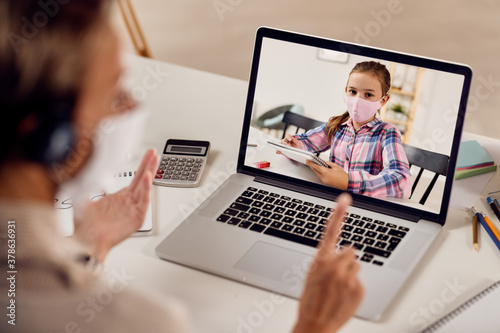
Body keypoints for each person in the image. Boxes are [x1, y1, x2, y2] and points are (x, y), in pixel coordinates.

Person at [0, 1, 363, 332]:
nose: (131, 108)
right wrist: (314, 325)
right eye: (115, 96)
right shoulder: (141, 322)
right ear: (50, 137)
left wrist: (88, 249)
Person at [280, 61, 411, 198]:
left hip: (362, 204)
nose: (357, 100)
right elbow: (307, 142)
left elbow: (402, 181)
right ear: (346, 91)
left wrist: (349, 182)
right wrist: (295, 144)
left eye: (368, 95)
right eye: (353, 92)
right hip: (330, 196)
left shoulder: (387, 133)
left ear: (383, 100)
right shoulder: (336, 125)